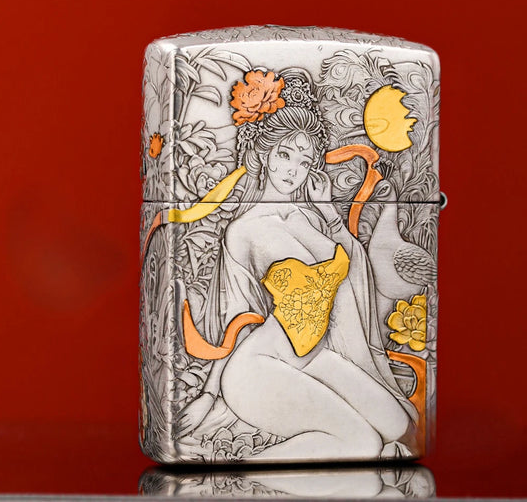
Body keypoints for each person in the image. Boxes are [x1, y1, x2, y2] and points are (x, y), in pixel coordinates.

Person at [176, 69, 417, 460]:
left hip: (316, 356)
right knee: (364, 443)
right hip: (259, 364)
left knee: (401, 429)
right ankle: (234, 476)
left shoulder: (311, 216)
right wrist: (208, 393)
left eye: (304, 162)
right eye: (284, 155)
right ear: (264, 155)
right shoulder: (243, 230)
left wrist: (329, 212)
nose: (292, 170)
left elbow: (353, 267)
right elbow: (238, 319)